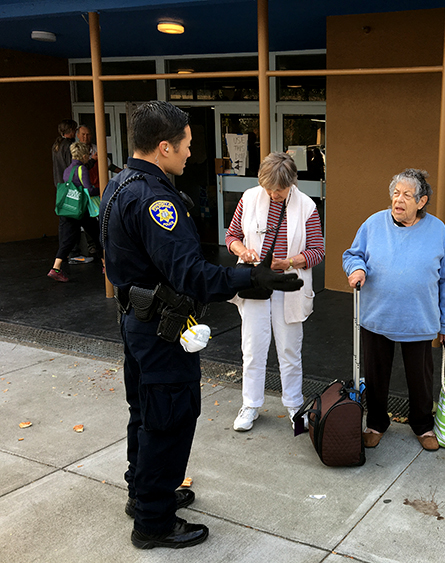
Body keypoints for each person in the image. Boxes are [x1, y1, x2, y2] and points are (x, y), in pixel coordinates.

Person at [100, 101, 302, 550]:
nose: (192, 153)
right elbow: (190, 273)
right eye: (188, 145)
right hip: (160, 329)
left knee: (146, 413)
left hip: (138, 321)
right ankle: (153, 521)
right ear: (165, 146)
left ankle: (145, 493)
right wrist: (251, 277)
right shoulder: (155, 199)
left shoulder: (119, 183)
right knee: (168, 419)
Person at [342, 168, 445, 451]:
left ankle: (423, 425)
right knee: (376, 374)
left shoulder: (438, 230)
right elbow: (353, 254)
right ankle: (376, 423)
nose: (398, 200)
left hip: (418, 320)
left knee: (420, 378)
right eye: (395, 193)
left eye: (407, 195)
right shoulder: (373, 224)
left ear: (422, 201)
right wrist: (356, 269)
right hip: (377, 316)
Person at [225, 152, 324, 432]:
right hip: (256, 282)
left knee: (290, 349)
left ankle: (294, 404)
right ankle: (251, 404)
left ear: (292, 183)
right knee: (253, 348)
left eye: (278, 191)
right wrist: (243, 250)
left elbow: (318, 251)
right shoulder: (249, 198)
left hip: (289, 286)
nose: (272, 195)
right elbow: (231, 236)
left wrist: (290, 262)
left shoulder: (306, 206)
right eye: (268, 189)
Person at [47, 141, 103, 282]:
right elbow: (88, 190)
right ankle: (105, 265)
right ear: (84, 156)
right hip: (81, 210)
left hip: (68, 209)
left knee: (68, 240)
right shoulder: (81, 169)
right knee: (97, 234)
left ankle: (56, 268)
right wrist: (102, 189)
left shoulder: (67, 170)